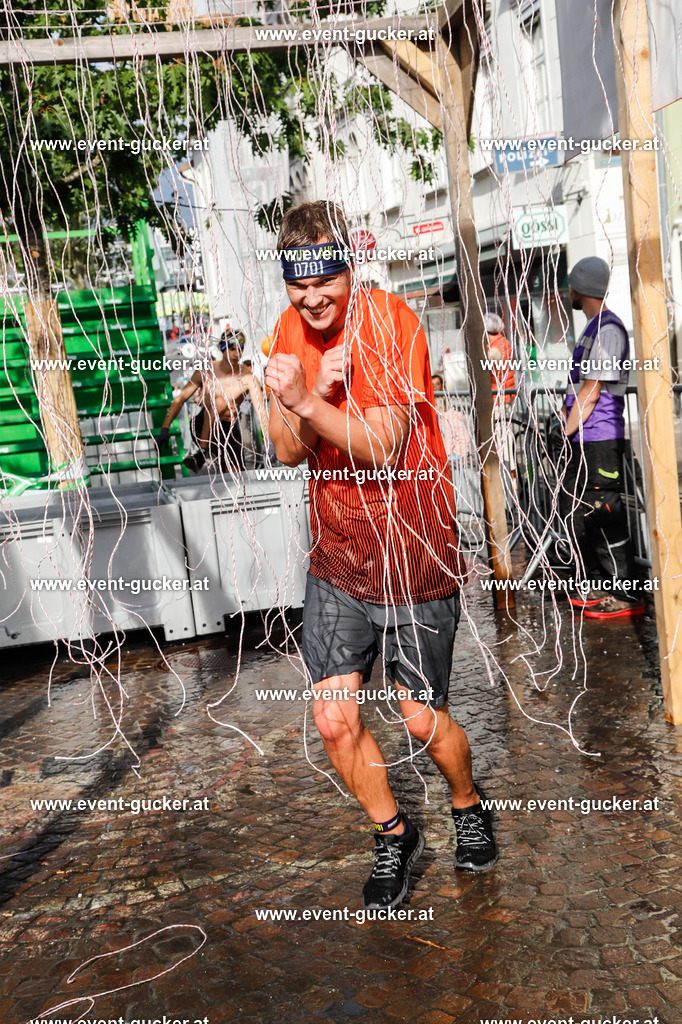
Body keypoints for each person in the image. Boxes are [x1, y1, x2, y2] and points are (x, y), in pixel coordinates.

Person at [264, 200, 497, 911]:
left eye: (323, 283)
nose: (311, 301)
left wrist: (309, 400)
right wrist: (307, 398)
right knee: (334, 716)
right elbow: (282, 449)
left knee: (422, 718)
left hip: (414, 552)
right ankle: (393, 833)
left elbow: (385, 445)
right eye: (297, 288)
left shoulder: (391, 323)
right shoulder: (287, 331)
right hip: (337, 556)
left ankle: (465, 805)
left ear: (349, 267)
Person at [555, 256, 644, 619]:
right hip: (585, 437)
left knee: (604, 509)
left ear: (581, 288)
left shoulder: (607, 329)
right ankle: (599, 584)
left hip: (600, 438)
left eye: (571, 284)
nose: (568, 291)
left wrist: (567, 428)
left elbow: (592, 390)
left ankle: (628, 593)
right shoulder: (593, 328)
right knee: (584, 512)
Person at [156, 329, 266, 473]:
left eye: (240, 349)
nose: (236, 354)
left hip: (227, 429)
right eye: (232, 349)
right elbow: (180, 399)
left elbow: (261, 410)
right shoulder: (206, 371)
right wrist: (165, 428)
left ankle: (210, 462)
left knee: (235, 472)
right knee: (218, 401)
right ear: (222, 349)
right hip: (202, 425)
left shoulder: (247, 377)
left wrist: (268, 440)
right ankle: (201, 453)